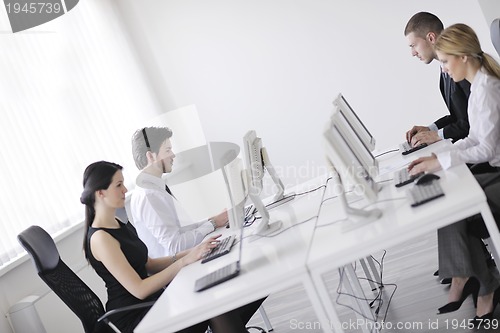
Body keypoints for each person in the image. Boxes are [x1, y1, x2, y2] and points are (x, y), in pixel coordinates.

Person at [81, 161, 263, 333]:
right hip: (137, 318)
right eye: (118, 185)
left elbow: (149, 264)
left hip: (153, 303)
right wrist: (184, 261)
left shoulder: (118, 223)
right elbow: (140, 289)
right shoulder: (101, 238)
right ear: (100, 193)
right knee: (212, 304)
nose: (125, 190)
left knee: (217, 301)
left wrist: (196, 250)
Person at [408, 23, 500, 325]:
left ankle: (476, 280)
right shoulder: (478, 88)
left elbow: (485, 150)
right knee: (447, 195)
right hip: (494, 169)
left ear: (462, 57)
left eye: (446, 62)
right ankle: (472, 278)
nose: (444, 69)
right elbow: (473, 138)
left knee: (456, 205)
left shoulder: (487, 90)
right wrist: (441, 156)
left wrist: (441, 161)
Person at [130, 126, 228, 258]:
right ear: (150, 156)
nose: (173, 155)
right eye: (168, 150)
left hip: (187, 258)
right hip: (179, 271)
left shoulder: (154, 187)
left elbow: (182, 230)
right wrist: (213, 224)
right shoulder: (148, 195)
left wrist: (213, 220)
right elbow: (175, 246)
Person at [404, 12, 470, 148]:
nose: (413, 53)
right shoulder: (444, 70)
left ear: (431, 38)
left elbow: (471, 123)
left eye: (413, 45)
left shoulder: (461, 68)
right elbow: (459, 115)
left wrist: (437, 135)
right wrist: (431, 129)